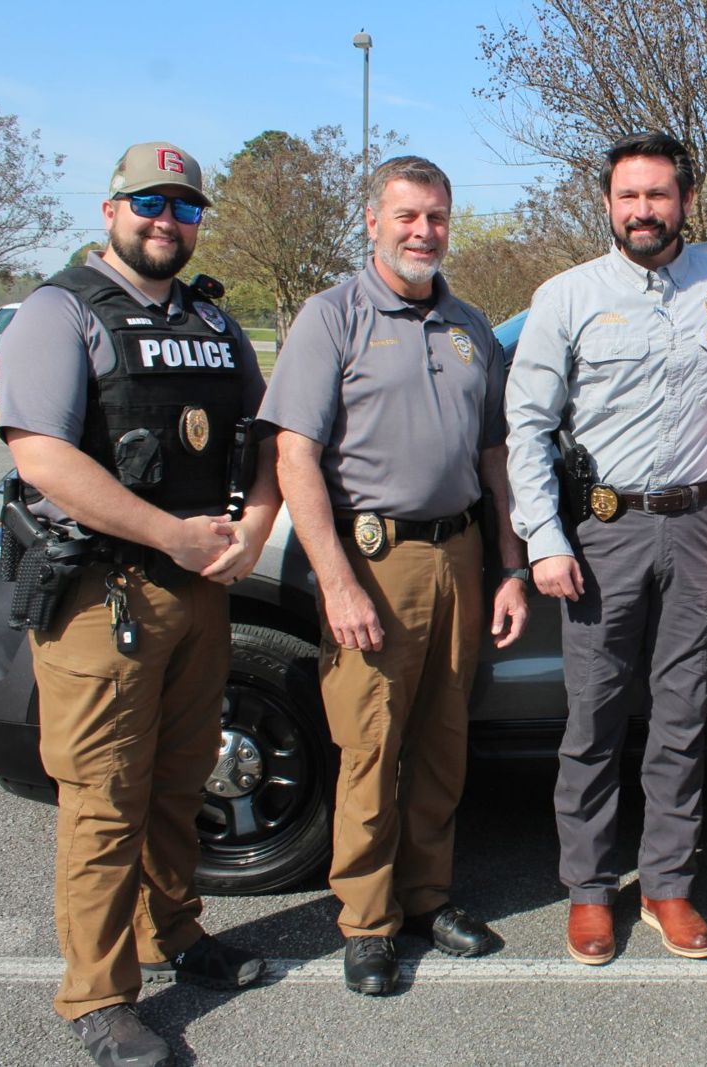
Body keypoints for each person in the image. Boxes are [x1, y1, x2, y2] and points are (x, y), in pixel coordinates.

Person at [0, 141, 280, 1067]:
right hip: (102, 594)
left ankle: (174, 931)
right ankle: (98, 994)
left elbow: (262, 430)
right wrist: (172, 535)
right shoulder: (61, 311)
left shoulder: (210, 320)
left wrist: (249, 527)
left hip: (198, 591)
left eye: (186, 208)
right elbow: (42, 455)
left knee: (178, 778)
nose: (169, 220)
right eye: (151, 203)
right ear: (112, 208)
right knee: (103, 799)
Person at [506, 130, 707, 965]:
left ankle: (666, 885)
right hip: (600, 531)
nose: (643, 211)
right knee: (591, 720)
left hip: (701, 528)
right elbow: (525, 424)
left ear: (686, 201)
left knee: (680, 719)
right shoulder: (566, 295)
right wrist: (544, 537)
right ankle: (590, 894)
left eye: (658, 195)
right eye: (629, 196)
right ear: (608, 204)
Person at [259, 155, 529, 996]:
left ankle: (426, 897)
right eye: (408, 216)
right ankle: (367, 921)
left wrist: (510, 567)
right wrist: (337, 581)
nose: (424, 232)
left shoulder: (471, 325)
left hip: (461, 556)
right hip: (373, 560)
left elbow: (495, 454)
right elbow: (294, 454)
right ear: (373, 220)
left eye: (438, 217)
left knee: (443, 742)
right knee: (370, 746)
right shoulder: (331, 317)